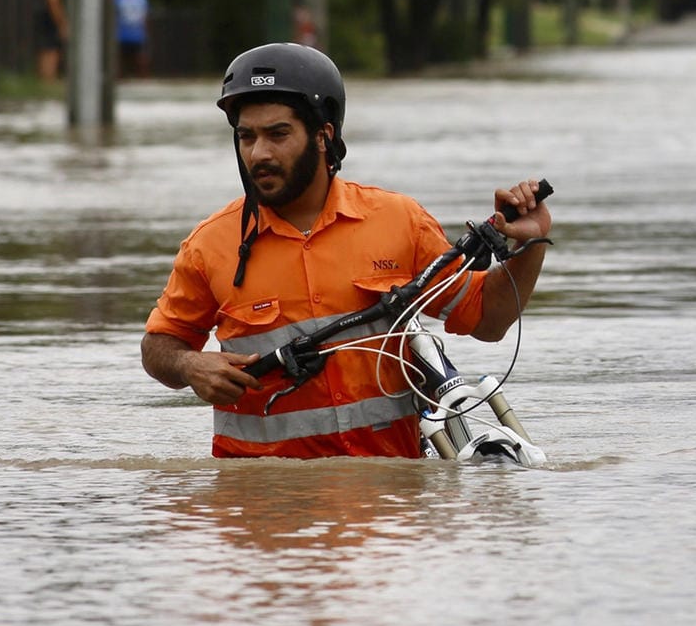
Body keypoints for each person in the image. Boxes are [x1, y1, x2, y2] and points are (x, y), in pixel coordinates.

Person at [141, 43, 554, 458]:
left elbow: (488, 318)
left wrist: (529, 244)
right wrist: (189, 366)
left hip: (388, 507)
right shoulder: (209, 244)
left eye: (278, 134)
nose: (259, 153)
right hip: (262, 508)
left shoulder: (399, 221)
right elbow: (158, 346)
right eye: (246, 136)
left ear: (324, 136)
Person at [34, 0, 68, 82]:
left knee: (42, 48)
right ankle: (49, 78)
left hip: (37, 16)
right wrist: (61, 22)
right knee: (51, 49)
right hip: (47, 16)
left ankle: (43, 78)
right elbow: (53, 1)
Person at [114, 0, 150, 79]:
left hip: (137, 33)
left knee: (140, 58)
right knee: (120, 58)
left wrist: (146, 30)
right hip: (121, 32)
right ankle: (119, 78)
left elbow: (144, 14)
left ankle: (143, 79)